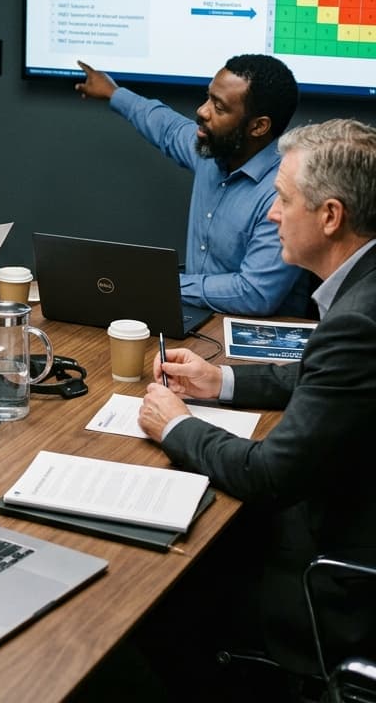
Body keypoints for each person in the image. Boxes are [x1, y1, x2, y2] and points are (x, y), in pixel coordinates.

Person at [137, 118, 376, 683]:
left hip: (335, 581)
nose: (271, 215)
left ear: (331, 216)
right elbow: (326, 378)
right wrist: (220, 382)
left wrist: (176, 425)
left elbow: (269, 475)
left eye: (284, 200)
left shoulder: (358, 322)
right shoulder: (364, 288)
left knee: (155, 595)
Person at [75, 55, 310, 317]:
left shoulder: (284, 193)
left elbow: (254, 293)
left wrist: (158, 284)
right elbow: (167, 128)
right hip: (196, 315)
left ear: (258, 126)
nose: (202, 111)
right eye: (208, 97)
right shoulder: (215, 149)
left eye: (219, 107)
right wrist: (113, 92)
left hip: (254, 330)